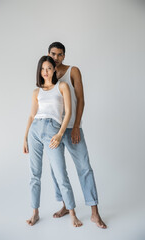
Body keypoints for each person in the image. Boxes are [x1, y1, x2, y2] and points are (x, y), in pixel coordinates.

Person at [48, 42, 107, 229]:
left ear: (64, 56)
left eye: (59, 54)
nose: (56, 58)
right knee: (57, 170)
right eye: (53, 54)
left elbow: (81, 99)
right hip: (53, 129)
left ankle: (95, 213)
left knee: (85, 168)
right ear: (48, 54)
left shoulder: (73, 71)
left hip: (72, 128)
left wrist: (76, 126)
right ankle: (66, 205)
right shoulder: (47, 72)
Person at [23, 55, 82, 227]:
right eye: (43, 69)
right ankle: (35, 213)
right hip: (35, 131)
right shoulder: (37, 92)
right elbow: (32, 115)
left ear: (54, 69)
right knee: (34, 175)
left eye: (49, 68)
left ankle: (72, 212)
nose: (46, 72)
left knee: (60, 173)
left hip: (52, 130)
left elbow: (68, 112)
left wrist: (60, 134)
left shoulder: (62, 86)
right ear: (39, 71)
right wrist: (25, 137)